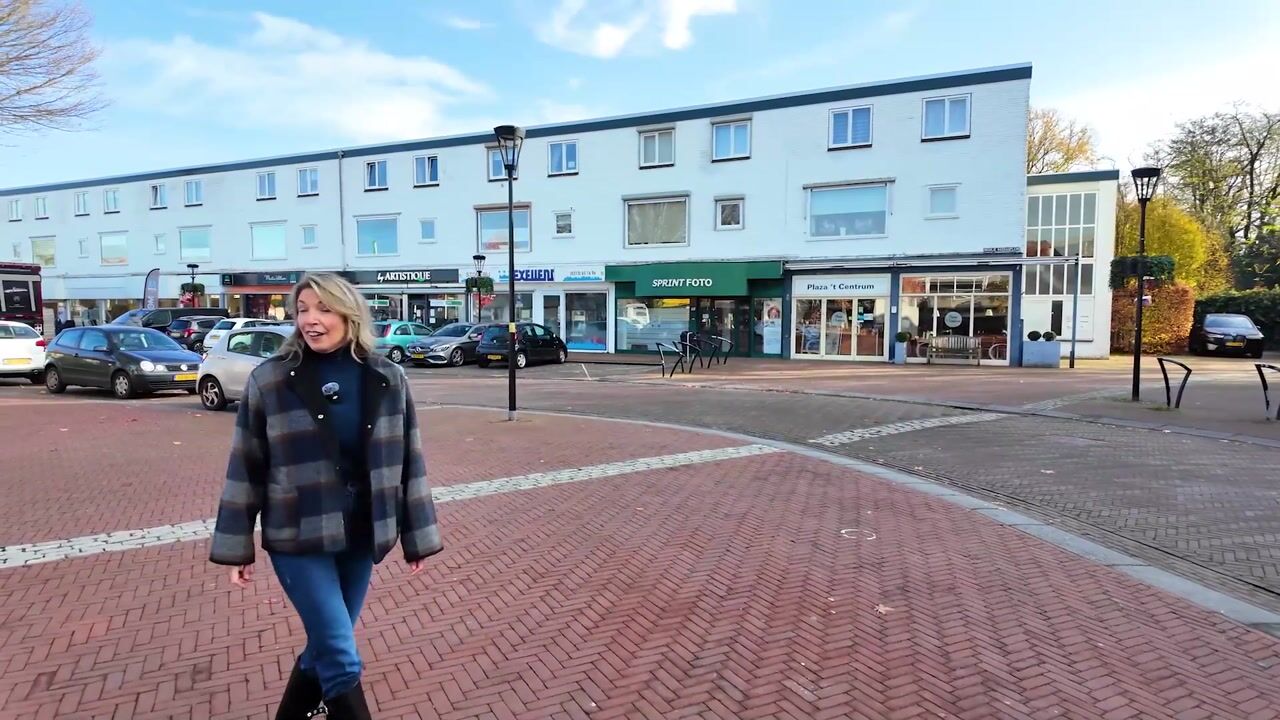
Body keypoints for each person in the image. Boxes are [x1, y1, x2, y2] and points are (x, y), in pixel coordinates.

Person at [209, 272, 442, 719]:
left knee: (324, 646)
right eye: (302, 310)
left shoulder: (387, 377)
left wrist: (417, 535)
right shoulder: (271, 380)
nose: (311, 320)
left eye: (323, 309)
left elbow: (408, 460)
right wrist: (236, 544)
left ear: (349, 314)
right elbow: (247, 465)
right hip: (297, 534)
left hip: (360, 534)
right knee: (340, 653)